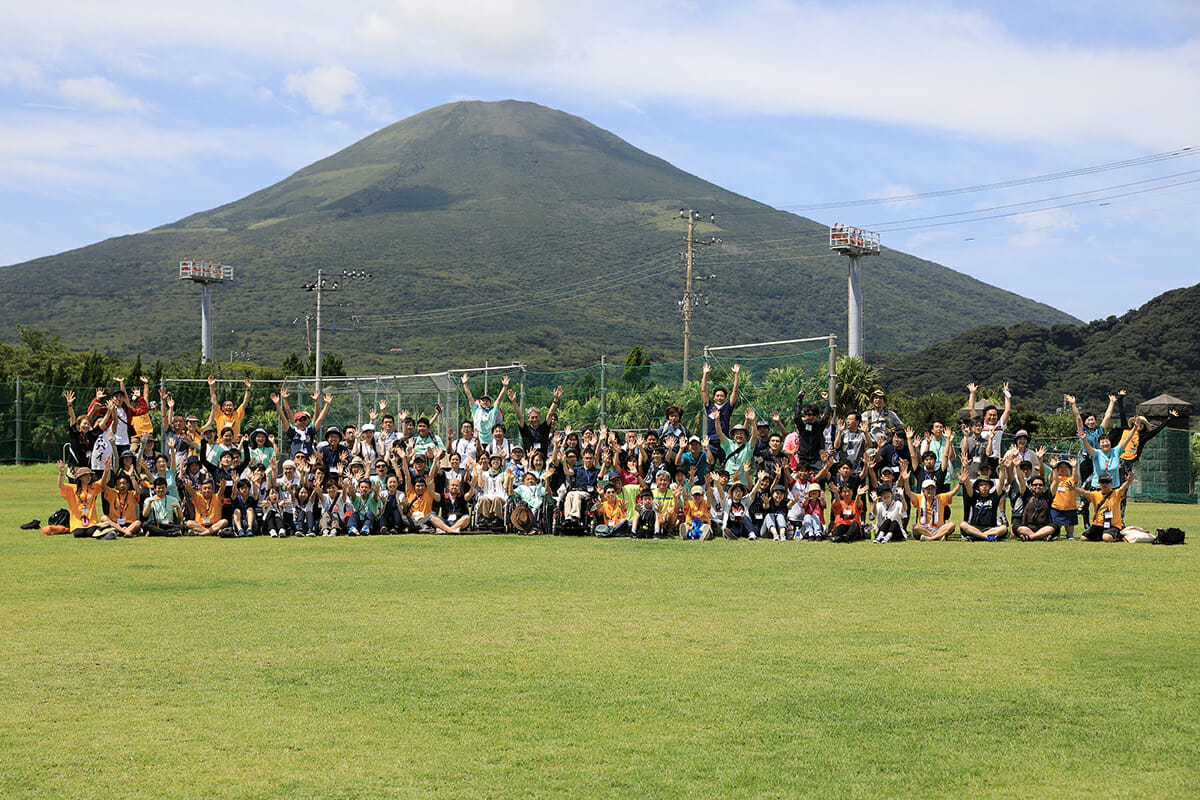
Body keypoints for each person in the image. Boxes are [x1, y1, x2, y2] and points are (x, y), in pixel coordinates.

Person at [900, 462, 960, 541]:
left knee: (952, 525)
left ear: (935, 491)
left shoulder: (940, 498)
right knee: (915, 527)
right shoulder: (919, 498)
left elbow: (953, 492)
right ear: (923, 491)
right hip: (924, 528)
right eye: (927, 489)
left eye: (932, 489)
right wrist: (906, 480)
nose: (930, 491)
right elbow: (908, 492)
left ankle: (931, 538)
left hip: (938, 528)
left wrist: (960, 482)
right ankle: (938, 536)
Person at [507, 384, 563, 457]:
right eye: (532, 417)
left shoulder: (544, 428)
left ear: (540, 417)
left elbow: (550, 414)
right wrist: (514, 402)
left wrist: (555, 399)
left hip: (543, 461)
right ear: (528, 418)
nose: (534, 419)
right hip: (529, 461)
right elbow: (520, 417)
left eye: (536, 417)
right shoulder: (525, 429)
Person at [700, 362, 741, 459]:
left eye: (722, 396)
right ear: (714, 397)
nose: (719, 398)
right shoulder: (709, 406)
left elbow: (735, 390)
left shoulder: (727, 407)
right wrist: (705, 374)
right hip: (711, 443)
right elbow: (703, 390)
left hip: (724, 442)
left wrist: (736, 374)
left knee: (726, 467)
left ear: (725, 398)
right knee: (709, 467)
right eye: (717, 396)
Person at [1079, 471, 1135, 542]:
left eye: (1107, 482)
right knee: (1083, 538)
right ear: (1099, 483)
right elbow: (1084, 492)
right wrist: (1073, 488)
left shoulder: (1117, 493)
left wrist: (1128, 482)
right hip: (1098, 524)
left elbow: (1123, 488)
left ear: (1111, 483)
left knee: (1107, 538)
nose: (1105, 484)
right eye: (1102, 482)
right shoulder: (1095, 494)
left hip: (1112, 525)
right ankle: (1100, 536)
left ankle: (1118, 537)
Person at [461, 372, 507, 447]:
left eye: (487, 400)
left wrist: (504, 387)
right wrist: (465, 384)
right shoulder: (476, 410)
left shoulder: (493, 411)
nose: (485, 402)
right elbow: (469, 397)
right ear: (480, 402)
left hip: (491, 441)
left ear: (490, 403)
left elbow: (499, 399)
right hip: (478, 440)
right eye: (483, 400)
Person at [960, 474, 1007, 541]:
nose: (984, 487)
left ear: (990, 487)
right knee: (963, 524)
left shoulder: (994, 497)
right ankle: (985, 536)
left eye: (986, 485)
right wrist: (966, 468)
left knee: (1003, 528)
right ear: (977, 488)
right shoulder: (974, 496)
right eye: (981, 485)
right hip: (975, 527)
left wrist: (1002, 468)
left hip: (990, 528)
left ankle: (977, 536)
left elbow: (1001, 483)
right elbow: (968, 486)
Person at [102, 472, 143, 538]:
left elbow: (138, 491)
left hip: (129, 524)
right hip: (115, 523)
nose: (122, 485)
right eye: (119, 484)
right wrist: (106, 470)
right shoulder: (112, 493)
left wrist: (131, 477)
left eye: (124, 483)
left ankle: (120, 532)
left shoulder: (132, 494)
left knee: (138, 523)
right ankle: (125, 532)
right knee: (104, 518)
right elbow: (103, 485)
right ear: (116, 486)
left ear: (128, 485)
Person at [1047, 457, 1079, 539]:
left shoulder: (1071, 478)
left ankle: (1070, 535)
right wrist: (1053, 467)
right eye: (1061, 467)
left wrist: (1074, 467)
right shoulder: (1056, 478)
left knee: (1070, 524)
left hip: (1070, 507)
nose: (1063, 469)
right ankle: (1055, 534)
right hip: (1056, 507)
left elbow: (1075, 479)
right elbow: (1052, 478)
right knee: (1056, 525)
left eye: (1066, 467)